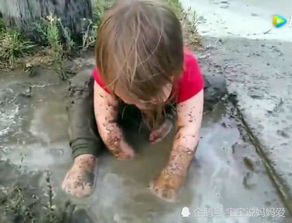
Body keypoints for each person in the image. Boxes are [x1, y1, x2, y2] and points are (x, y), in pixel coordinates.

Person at [62, 0, 220, 202]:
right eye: (136, 97)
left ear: (175, 71)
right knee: (82, 87)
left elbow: (189, 129)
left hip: (171, 100)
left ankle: (167, 115)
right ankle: (84, 157)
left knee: (215, 86)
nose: (144, 103)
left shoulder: (186, 68)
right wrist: (115, 145)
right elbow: (105, 121)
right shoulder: (109, 74)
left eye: (150, 97)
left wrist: (175, 170)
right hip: (120, 104)